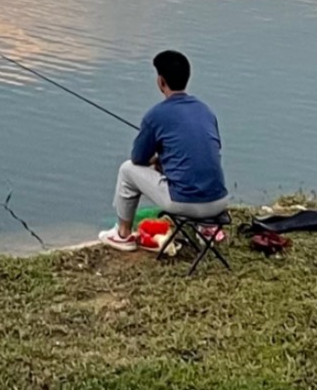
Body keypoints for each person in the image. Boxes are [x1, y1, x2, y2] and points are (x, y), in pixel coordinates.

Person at [97, 49, 226, 249]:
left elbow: (138, 159)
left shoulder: (155, 115)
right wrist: (165, 160)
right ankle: (206, 228)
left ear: (161, 81)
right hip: (219, 202)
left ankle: (123, 235)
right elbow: (209, 150)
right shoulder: (206, 111)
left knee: (127, 170)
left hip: (184, 203)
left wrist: (156, 159)